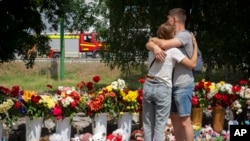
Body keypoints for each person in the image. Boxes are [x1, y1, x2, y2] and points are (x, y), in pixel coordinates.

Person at [146, 8, 196, 141]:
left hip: (183, 84)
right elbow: (152, 43)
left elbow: (163, 43)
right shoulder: (174, 36)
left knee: (185, 120)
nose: (167, 20)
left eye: (168, 18)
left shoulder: (184, 35)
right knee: (175, 120)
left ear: (174, 19)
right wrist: (153, 44)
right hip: (170, 84)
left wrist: (153, 42)